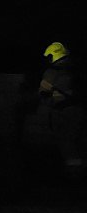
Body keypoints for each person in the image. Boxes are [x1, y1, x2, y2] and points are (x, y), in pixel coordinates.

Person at [40, 42, 82, 182]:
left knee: (66, 143)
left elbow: (44, 94)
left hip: (62, 112)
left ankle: (74, 175)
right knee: (77, 143)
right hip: (77, 110)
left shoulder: (50, 73)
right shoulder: (75, 71)